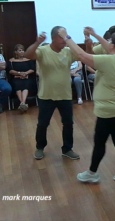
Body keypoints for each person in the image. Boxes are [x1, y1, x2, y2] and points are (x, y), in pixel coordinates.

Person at [60, 27, 115, 185]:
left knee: (100, 142)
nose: (107, 43)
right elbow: (95, 52)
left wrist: (66, 37)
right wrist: (93, 36)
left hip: (109, 111)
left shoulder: (109, 61)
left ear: (113, 46)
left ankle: (92, 173)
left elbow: (81, 55)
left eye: (109, 42)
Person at [25, 27, 79, 160]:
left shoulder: (68, 51)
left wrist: (88, 43)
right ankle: (40, 147)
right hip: (46, 95)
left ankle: (67, 149)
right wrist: (37, 42)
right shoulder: (43, 51)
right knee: (43, 124)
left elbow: (84, 55)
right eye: (62, 36)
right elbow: (28, 55)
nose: (65, 39)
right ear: (54, 38)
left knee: (68, 123)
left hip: (65, 95)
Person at [7, 44, 36, 112]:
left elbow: (32, 69)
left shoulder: (29, 59)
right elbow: (10, 71)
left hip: (27, 77)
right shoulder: (11, 61)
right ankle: (23, 103)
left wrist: (25, 73)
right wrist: (19, 74)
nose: (22, 52)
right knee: (17, 84)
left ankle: (22, 103)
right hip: (16, 78)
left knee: (26, 84)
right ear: (15, 52)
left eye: (23, 50)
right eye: (20, 50)